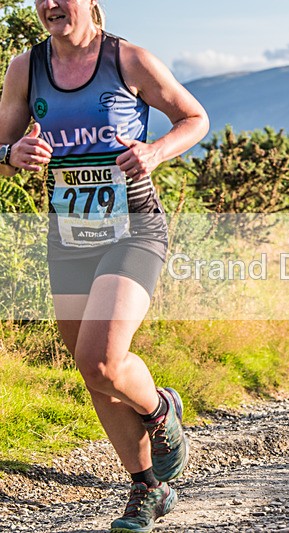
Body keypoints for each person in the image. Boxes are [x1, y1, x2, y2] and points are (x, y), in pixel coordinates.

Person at [0, 1, 209, 530]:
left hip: (134, 227)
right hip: (68, 236)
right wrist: (11, 155)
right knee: (93, 373)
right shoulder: (26, 67)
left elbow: (194, 118)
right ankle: (148, 488)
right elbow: (0, 140)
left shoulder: (129, 59)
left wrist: (156, 151)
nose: (50, 4)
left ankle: (161, 412)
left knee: (103, 358)